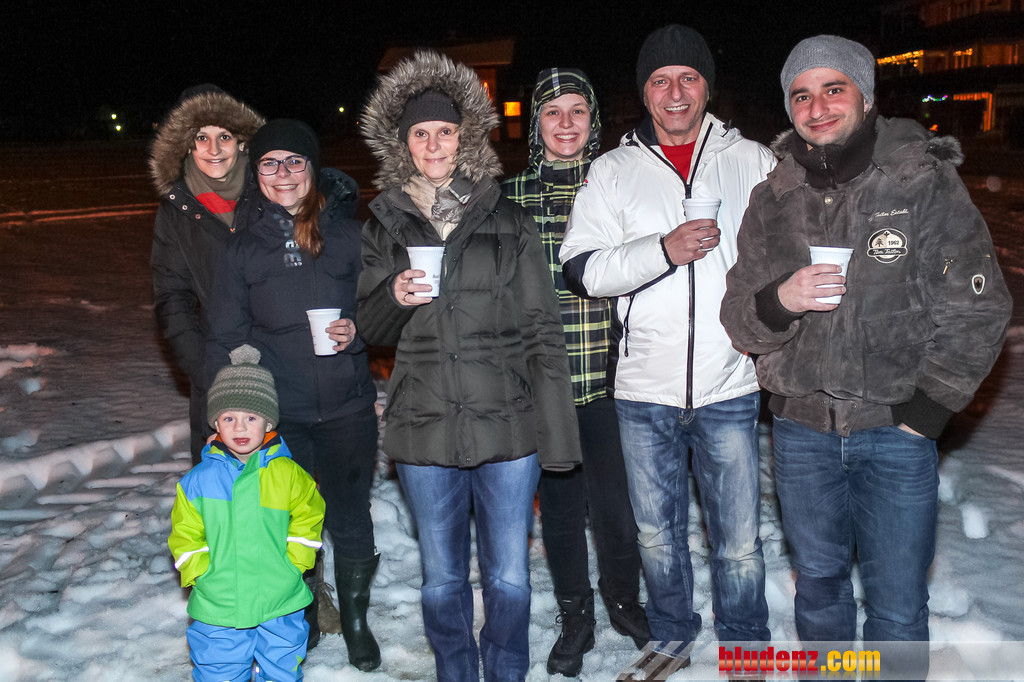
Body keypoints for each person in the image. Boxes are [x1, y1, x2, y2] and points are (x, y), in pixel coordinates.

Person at [721, 35, 1012, 677]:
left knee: (898, 605)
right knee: (819, 587)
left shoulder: (920, 182)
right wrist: (780, 300)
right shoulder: (773, 200)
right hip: (801, 432)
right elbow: (738, 316)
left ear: (867, 96)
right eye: (801, 95)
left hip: (894, 432)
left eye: (834, 89)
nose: (817, 107)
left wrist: (926, 412)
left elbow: (979, 305)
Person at [357, 50, 582, 682]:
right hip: (423, 425)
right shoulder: (384, 223)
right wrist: (392, 296)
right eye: (420, 134)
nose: (434, 145)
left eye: (446, 131)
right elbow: (369, 330)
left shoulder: (508, 219)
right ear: (403, 144)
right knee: (441, 578)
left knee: (509, 575)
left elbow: (542, 329)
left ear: (467, 137)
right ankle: (455, 671)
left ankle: (506, 672)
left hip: (508, 424)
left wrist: (557, 436)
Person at [560, 24, 775, 678]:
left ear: (707, 87)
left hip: (729, 383)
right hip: (643, 390)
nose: (675, 92)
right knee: (656, 535)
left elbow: (784, 259)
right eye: (660, 80)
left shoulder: (752, 161)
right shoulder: (612, 170)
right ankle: (673, 636)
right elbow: (582, 268)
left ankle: (746, 648)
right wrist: (662, 249)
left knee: (738, 542)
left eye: (688, 77)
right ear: (644, 91)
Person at [204, 119, 382, 671]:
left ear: (313, 168)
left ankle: (356, 623)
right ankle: (298, 616)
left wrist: (359, 330)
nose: (282, 173)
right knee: (285, 521)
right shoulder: (242, 248)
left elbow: (388, 306)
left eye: (294, 161)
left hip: (348, 407)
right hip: (281, 416)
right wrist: (231, 409)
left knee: (350, 515)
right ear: (256, 173)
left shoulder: (350, 236)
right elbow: (225, 334)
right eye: (269, 163)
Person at [501, 68, 648, 677]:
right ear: (535, 124)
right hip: (545, 385)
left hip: (616, 378)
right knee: (560, 511)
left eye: (577, 111)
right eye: (552, 112)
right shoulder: (508, 197)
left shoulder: (619, 184)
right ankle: (575, 614)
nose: (565, 123)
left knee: (618, 508)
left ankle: (624, 600)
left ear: (594, 120)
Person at [169, 344, 326, 682]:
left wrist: (295, 563)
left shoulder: (289, 475)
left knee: (282, 667)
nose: (240, 428)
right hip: (219, 603)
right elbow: (185, 534)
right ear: (216, 423)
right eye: (229, 418)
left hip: (279, 598)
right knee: (218, 670)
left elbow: (309, 517)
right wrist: (201, 574)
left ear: (268, 421)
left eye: (251, 418)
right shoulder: (199, 481)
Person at [149, 84, 265, 465]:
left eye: (224, 136)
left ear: (242, 141)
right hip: (217, 371)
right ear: (186, 145)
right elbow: (172, 296)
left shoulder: (272, 190)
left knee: (280, 487)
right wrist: (204, 368)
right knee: (219, 488)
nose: (214, 149)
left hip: (281, 366)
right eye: (201, 137)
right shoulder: (177, 209)